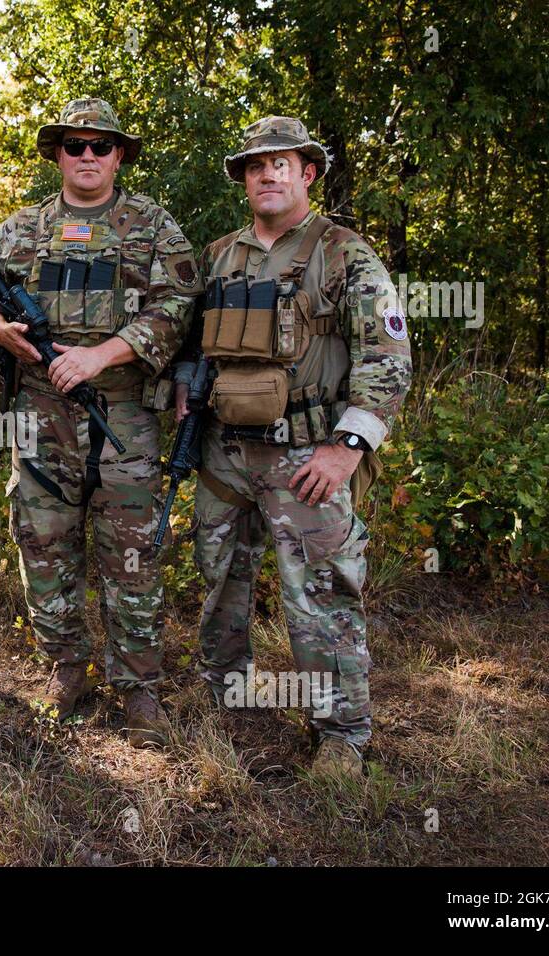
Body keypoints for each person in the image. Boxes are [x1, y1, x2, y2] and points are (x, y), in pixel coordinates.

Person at [172, 116, 412, 776]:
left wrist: (347, 449)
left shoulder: (344, 253)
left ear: (308, 173)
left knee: (322, 595)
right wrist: (187, 388)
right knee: (219, 574)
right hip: (226, 452)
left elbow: (387, 356)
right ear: (245, 180)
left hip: (308, 454)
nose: (267, 174)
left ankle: (341, 732)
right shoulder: (221, 254)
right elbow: (193, 342)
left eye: (282, 163)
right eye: (256, 165)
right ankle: (225, 690)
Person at [0, 98, 200, 747]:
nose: (88, 157)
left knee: (130, 548)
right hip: (41, 409)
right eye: (76, 146)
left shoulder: (151, 225)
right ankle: (66, 671)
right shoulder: (19, 230)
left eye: (101, 146)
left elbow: (180, 301)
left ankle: (139, 687)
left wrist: (105, 354)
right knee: (43, 542)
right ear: (57, 154)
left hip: (122, 408)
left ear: (120, 154)